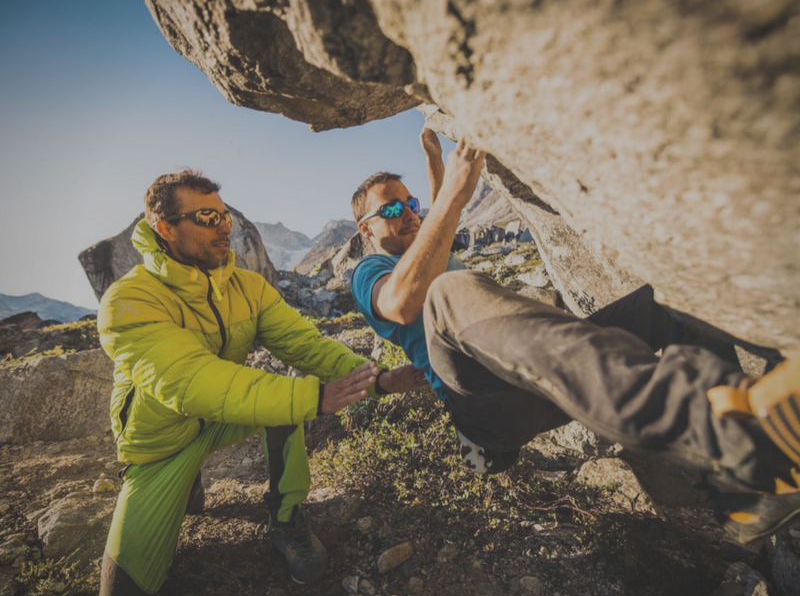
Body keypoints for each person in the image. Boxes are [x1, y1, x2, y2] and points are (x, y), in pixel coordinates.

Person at [350, 127, 800, 545]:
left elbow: (434, 219)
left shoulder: (428, 242)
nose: (408, 213)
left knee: (670, 302)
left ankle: (744, 494)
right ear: (366, 228)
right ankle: (732, 438)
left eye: (410, 203)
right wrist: (451, 192)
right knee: (447, 292)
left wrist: (433, 160)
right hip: (484, 412)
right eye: (390, 209)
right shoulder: (371, 270)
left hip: (536, 372)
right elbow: (403, 302)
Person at [97, 170, 425, 595]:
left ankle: (287, 520)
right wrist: (314, 398)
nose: (224, 228)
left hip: (221, 418)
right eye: (207, 218)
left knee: (285, 402)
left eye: (225, 217)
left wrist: (377, 381)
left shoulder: (247, 287)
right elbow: (191, 382)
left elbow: (307, 346)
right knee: (125, 588)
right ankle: (185, 480)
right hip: (162, 444)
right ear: (166, 229)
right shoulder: (128, 300)